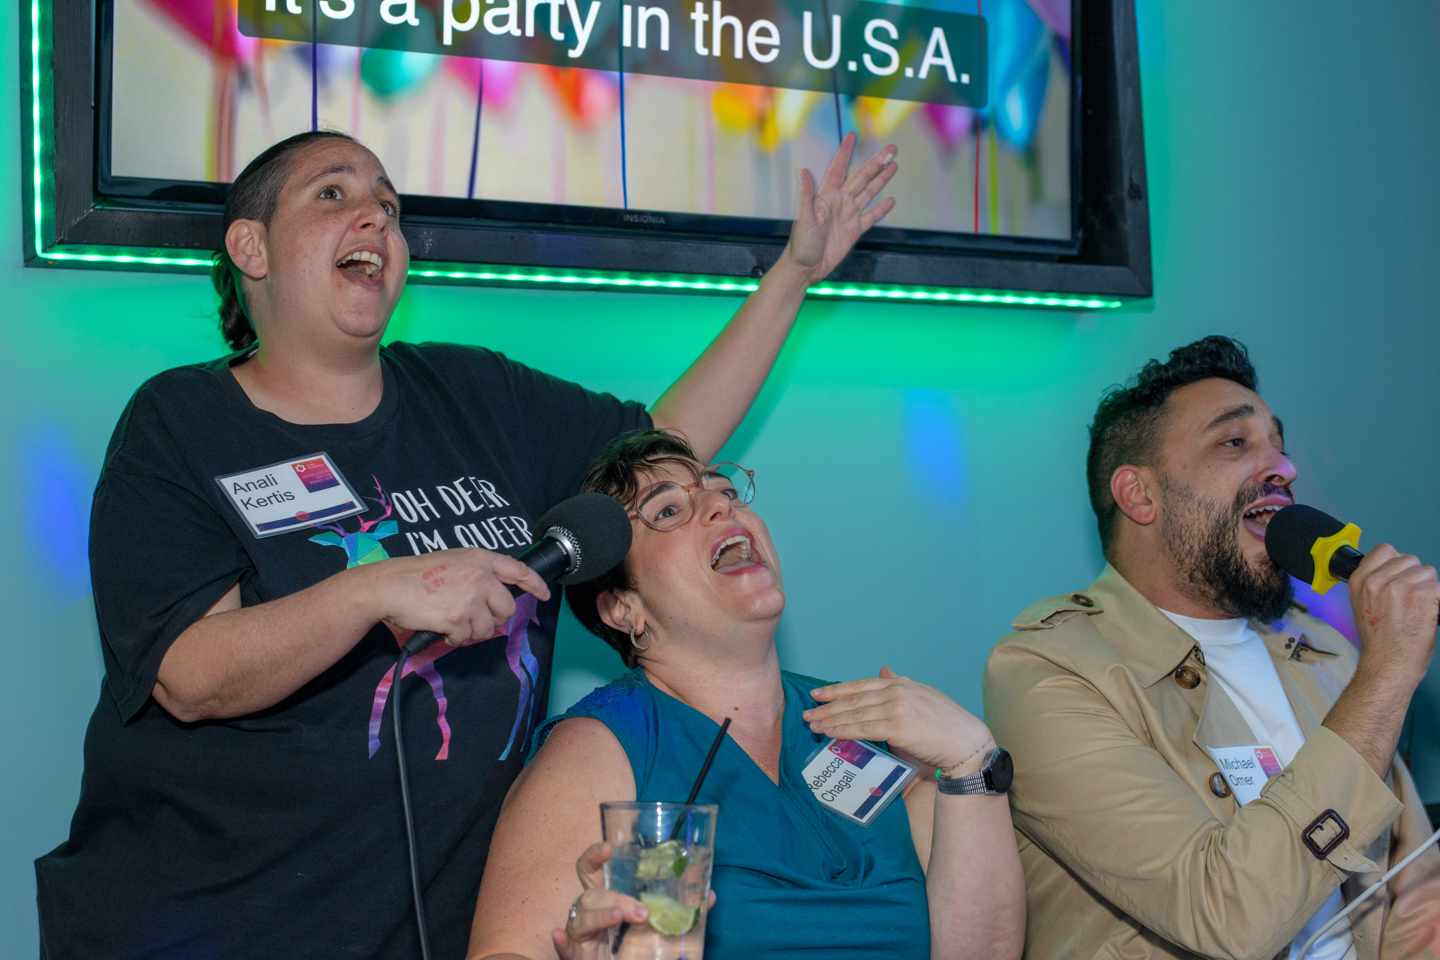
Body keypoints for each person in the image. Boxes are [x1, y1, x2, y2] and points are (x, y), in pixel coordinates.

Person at [34, 129, 899, 960]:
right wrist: (374, 590)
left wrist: (794, 274)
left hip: (430, 929)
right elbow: (187, 675)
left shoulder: (475, 396)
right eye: (333, 194)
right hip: (204, 925)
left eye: (389, 204)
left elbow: (663, 444)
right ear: (251, 249)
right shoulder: (180, 422)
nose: (376, 217)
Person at [466, 429, 1026, 960]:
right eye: (667, 510)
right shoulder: (604, 746)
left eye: (725, 492)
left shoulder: (866, 720)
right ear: (623, 608)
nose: (721, 506)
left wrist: (970, 760)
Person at [984, 336, 1440, 960]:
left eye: (1280, 445)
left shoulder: (1327, 654)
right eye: (1235, 442)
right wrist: (1387, 674)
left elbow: (1415, 891)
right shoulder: (1048, 672)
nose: (1284, 467)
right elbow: (1226, 917)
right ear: (1139, 495)